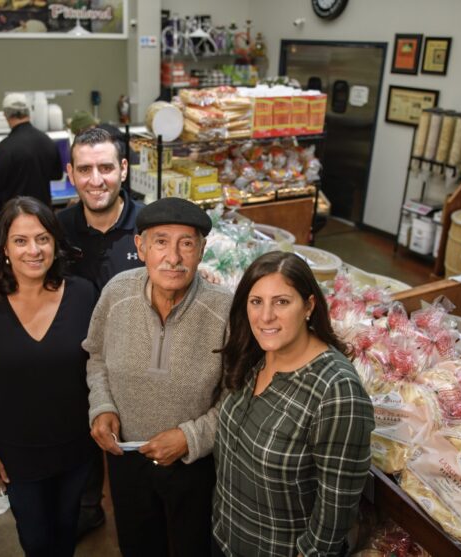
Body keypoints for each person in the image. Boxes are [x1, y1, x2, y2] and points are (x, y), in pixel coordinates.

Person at [0, 126, 144, 536]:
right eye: (84, 169)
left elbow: (183, 252)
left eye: (105, 167)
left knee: (131, 478)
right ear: (70, 172)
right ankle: (85, 508)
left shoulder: (150, 223)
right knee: (77, 470)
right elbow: (23, 250)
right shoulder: (57, 228)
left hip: (134, 368)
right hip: (72, 371)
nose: (95, 179)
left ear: (123, 168)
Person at [84, 196, 233, 556]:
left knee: (192, 546)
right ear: (141, 246)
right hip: (126, 457)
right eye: (161, 241)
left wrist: (190, 437)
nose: (174, 257)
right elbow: (96, 356)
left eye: (186, 243)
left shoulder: (224, 310)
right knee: (137, 545)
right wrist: (102, 406)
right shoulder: (116, 293)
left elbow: (238, 395)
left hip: (194, 464)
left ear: (201, 250)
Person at [0, 196, 98, 557]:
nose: (33, 250)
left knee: (66, 530)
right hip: (17, 456)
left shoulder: (83, 295)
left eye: (43, 239)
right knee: (35, 538)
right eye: (20, 240)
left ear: (55, 244)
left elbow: (102, 366)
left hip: (76, 447)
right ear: (3, 247)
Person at [212, 251, 375, 557]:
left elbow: (335, 508)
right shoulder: (254, 354)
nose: (266, 316)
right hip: (226, 538)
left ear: (309, 307)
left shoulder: (336, 392)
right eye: (256, 301)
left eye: (282, 302)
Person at [0, 92, 63, 215]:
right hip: (43, 213)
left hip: (15, 216)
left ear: (6, 115)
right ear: (29, 112)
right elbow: (57, 175)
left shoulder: (5, 147)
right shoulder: (47, 141)